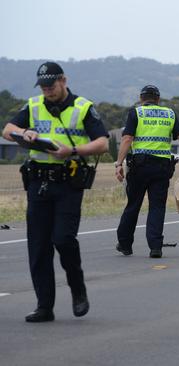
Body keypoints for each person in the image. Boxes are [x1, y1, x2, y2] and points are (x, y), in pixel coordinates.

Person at [2, 61, 109, 322]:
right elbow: (7, 130)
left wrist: (71, 151)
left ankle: (78, 288)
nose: (47, 90)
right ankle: (44, 306)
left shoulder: (82, 107)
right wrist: (24, 132)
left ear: (63, 80)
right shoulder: (34, 105)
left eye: (51, 85)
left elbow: (103, 143)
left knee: (63, 239)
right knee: (38, 247)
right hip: (38, 182)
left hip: (68, 182)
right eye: (43, 86)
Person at [114, 85, 179, 258]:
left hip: (139, 167)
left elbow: (127, 138)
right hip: (162, 168)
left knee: (133, 205)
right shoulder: (170, 114)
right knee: (157, 207)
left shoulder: (136, 113)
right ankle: (155, 247)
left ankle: (125, 244)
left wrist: (119, 163)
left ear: (141, 98)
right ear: (158, 99)